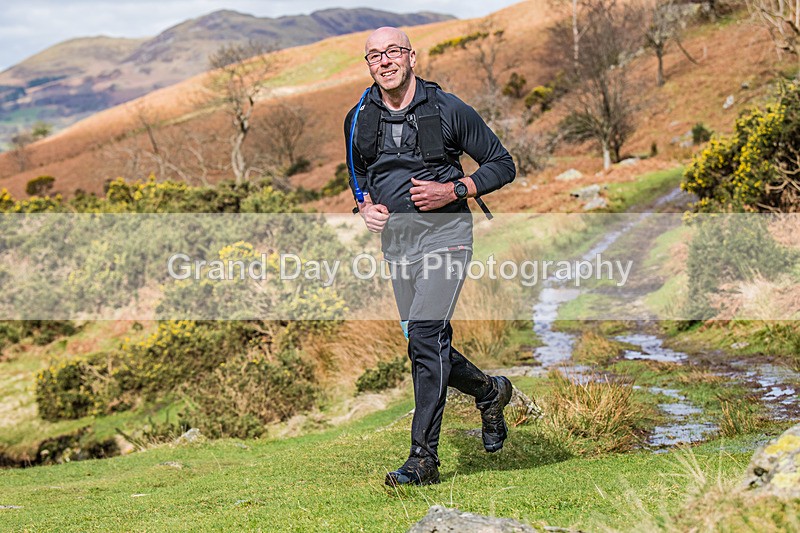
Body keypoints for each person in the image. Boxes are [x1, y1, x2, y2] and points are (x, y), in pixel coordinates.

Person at [343, 27, 516, 487]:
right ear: (368, 64)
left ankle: (423, 460)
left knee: (424, 334)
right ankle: (490, 391)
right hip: (397, 245)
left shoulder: (447, 108)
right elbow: (358, 174)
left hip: (447, 236)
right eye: (374, 55)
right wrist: (365, 207)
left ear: (412, 56)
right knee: (424, 341)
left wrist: (453, 189)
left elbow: (503, 163)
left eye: (393, 51)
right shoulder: (359, 116)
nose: (385, 61)